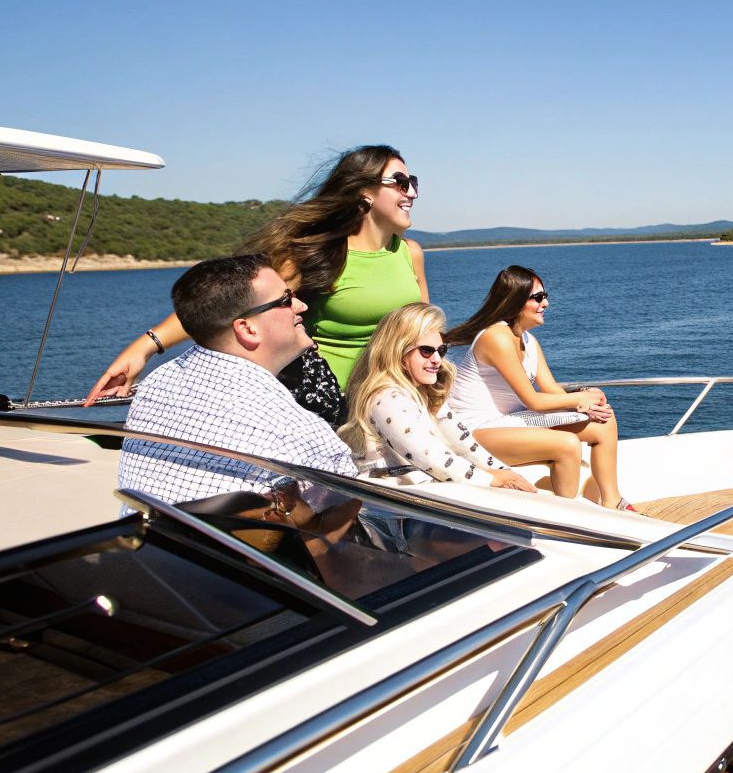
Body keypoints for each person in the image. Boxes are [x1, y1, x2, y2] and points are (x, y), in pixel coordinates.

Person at [86, 145, 428, 425]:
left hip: (398, 406)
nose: (411, 191)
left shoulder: (410, 254)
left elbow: (424, 334)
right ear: (364, 192)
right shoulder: (318, 255)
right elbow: (228, 303)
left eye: (412, 181)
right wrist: (144, 347)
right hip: (335, 410)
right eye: (399, 182)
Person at [117, 254, 359, 507]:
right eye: (286, 300)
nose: (301, 306)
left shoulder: (156, 384)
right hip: (228, 546)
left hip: (148, 536)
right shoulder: (296, 429)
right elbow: (347, 508)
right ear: (247, 329)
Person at [445, 266, 634, 511]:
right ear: (515, 300)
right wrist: (580, 398)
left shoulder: (528, 341)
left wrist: (588, 403)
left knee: (604, 423)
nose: (545, 303)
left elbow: (552, 391)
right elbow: (534, 400)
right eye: (538, 297)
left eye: (545, 296)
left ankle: (612, 502)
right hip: (476, 431)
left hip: (509, 422)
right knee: (566, 444)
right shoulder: (496, 337)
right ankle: (568, 518)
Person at [337, 303, 537, 493]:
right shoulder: (387, 399)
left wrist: (505, 473)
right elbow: (435, 460)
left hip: (427, 489)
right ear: (398, 352)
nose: (437, 359)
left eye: (441, 351)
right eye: (426, 351)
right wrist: (493, 479)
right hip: (400, 500)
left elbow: (465, 443)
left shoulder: (424, 392)